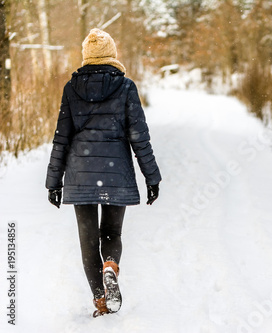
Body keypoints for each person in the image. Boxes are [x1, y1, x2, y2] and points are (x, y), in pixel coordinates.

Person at [45, 28, 162, 317]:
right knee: (111, 231)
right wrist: (152, 177)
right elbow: (139, 137)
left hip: (80, 173)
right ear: (112, 55)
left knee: (88, 241)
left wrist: (53, 182)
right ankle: (111, 264)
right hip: (115, 173)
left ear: (87, 56)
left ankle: (101, 299)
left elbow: (62, 137)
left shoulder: (72, 89)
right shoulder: (126, 87)